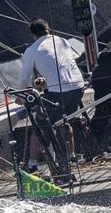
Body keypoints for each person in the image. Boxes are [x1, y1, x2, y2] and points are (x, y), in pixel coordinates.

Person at [19, 19, 86, 170]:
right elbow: (61, 64)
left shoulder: (32, 49)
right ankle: (70, 156)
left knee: (40, 125)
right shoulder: (62, 41)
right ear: (48, 29)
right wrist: (47, 81)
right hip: (77, 86)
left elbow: (24, 78)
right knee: (64, 120)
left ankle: (31, 164)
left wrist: (20, 95)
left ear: (33, 35)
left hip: (59, 92)